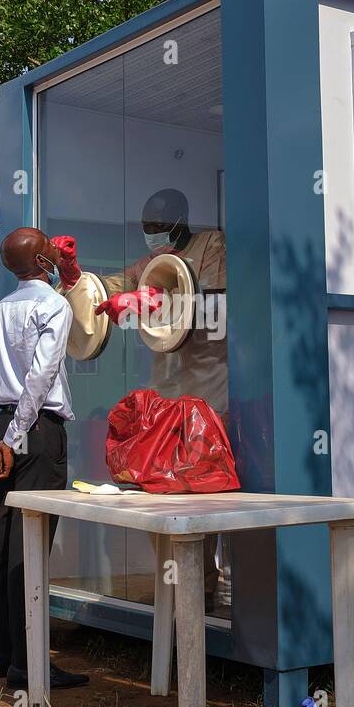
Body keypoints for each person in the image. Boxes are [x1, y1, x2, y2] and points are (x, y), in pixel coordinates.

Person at [96, 188, 230, 611]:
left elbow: (214, 295)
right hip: (167, 397)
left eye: (157, 225)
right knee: (163, 492)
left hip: (209, 392)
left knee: (206, 492)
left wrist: (159, 298)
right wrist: (86, 286)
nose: (151, 233)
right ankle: (185, 591)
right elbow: (114, 284)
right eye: (145, 227)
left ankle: (217, 585)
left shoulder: (212, 244)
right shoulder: (151, 264)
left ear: (180, 219)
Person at [0, 227, 89, 691]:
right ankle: (28, 661)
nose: (58, 256)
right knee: (29, 544)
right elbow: (41, 376)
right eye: (51, 251)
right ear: (42, 262)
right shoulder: (53, 306)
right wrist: (15, 437)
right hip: (36, 434)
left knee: (2, 538)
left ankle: (1, 650)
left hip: (5, 430)